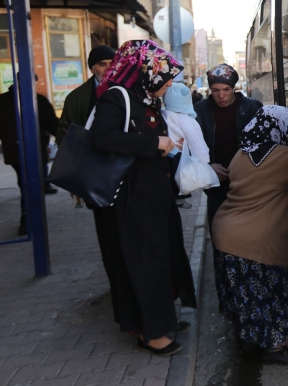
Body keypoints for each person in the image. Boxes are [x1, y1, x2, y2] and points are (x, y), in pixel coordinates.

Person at [89, 40, 197, 356]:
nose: (169, 84)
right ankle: (151, 333)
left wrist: (166, 144)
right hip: (132, 200)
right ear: (144, 70)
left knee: (162, 258)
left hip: (153, 196)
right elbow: (103, 137)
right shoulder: (115, 97)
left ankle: (162, 319)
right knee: (146, 262)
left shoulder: (142, 99)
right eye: (164, 77)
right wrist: (155, 145)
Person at [212, 106, 288, 365]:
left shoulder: (243, 153)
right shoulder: (285, 158)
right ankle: (274, 347)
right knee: (276, 294)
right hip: (255, 241)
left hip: (227, 235)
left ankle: (250, 339)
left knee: (246, 298)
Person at [0, 75, 59, 236]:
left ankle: (29, 220)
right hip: (35, 151)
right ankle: (28, 222)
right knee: (32, 187)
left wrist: (6, 138)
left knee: (24, 183)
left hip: (14, 152)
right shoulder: (38, 100)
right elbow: (53, 125)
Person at [194, 64, 261, 237]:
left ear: (234, 88)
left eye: (226, 89)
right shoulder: (199, 110)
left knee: (249, 237)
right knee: (220, 237)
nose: (221, 95)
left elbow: (265, 144)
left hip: (248, 185)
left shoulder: (252, 107)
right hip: (216, 186)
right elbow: (189, 148)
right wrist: (208, 166)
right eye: (215, 90)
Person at [55, 44, 116, 208]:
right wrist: (72, 178)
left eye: (112, 63)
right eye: (102, 64)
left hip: (124, 168)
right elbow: (67, 137)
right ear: (92, 68)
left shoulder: (130, 90)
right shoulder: (77, 98)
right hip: (94, 171)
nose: (109, 69)